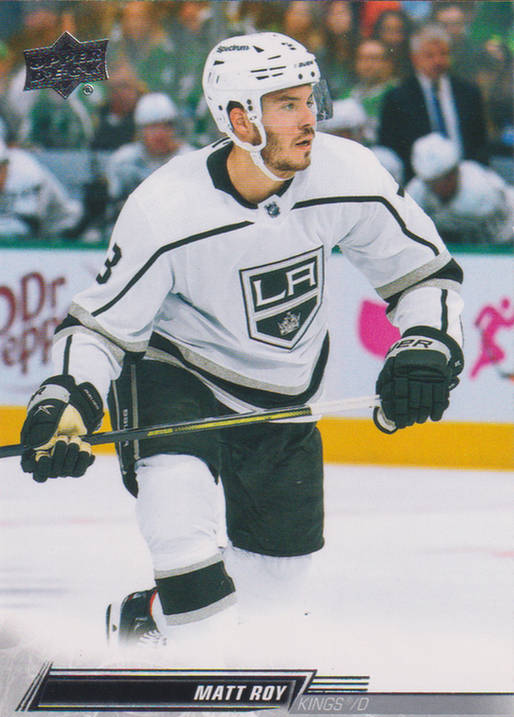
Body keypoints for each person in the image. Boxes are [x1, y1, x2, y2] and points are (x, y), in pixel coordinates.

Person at [19, 32, 464, 665]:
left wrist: (428, 342)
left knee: (272, 595)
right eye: (286, 105)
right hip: (177, 374)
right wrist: (65, 398)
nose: (309, 119)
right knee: (181, 530)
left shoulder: (349, 172)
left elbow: (425, 275)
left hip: (285, 394)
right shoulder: (165, 209)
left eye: (309, 100)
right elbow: (100, 327)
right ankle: (207, 693)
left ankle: (145, 620)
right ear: (238, 118)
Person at [378, 23, 489, 181]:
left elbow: (480, 142)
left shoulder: (467, 93)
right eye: (429, 55)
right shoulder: (398, 98)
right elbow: (391, 149)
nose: (438, 61)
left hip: (467, 178)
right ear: (415, 58)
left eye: (443, 54)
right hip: (420, 181)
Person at [406, 132, 514, 248]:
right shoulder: (416, 194)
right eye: (433, 182)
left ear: (456, 171)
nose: (440, 186)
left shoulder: (481, 191)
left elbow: (496, 240)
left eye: (445, 178)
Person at [106, 92, 194, 215]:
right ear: (140, 130)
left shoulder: (190, 159)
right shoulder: (123, 160)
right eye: (152, 127)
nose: (159, 134)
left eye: (165, 126)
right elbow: (113, 201)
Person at [0, 139, 82, 238]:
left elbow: (25, 226)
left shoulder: (25, 173)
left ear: (4, 164)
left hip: (65, 229)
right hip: (39, 235)